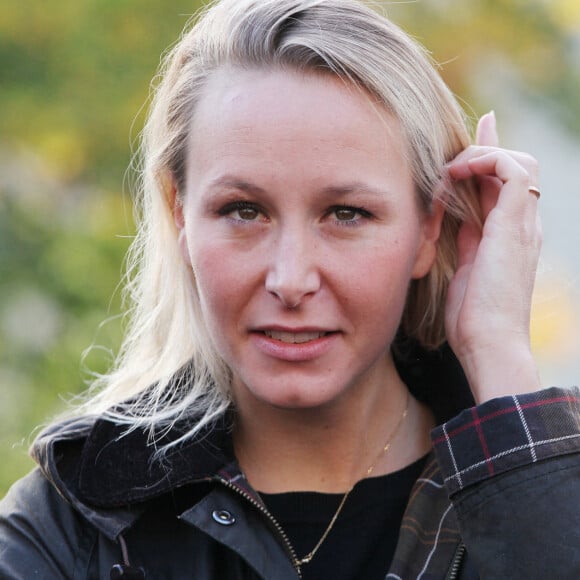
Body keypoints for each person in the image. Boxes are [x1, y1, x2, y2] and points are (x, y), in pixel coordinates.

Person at [1, 0, 579, 578]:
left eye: (346, 214)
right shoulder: (71, 531)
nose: (291, 279)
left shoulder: (544, 492)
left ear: (429, 228)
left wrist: (499, 359)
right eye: (244, 210)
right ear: (180, 217)